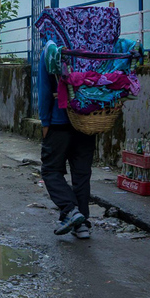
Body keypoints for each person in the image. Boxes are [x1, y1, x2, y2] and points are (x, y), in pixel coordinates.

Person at [39, 42, 93, 238]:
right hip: (87, 120)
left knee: (51, 170)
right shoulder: (90, 48)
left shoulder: (51, 49)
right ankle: (82, 225)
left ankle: (71, 211)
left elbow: (44, 89)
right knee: (81, 173)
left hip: (59, 121)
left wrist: (45, 121)